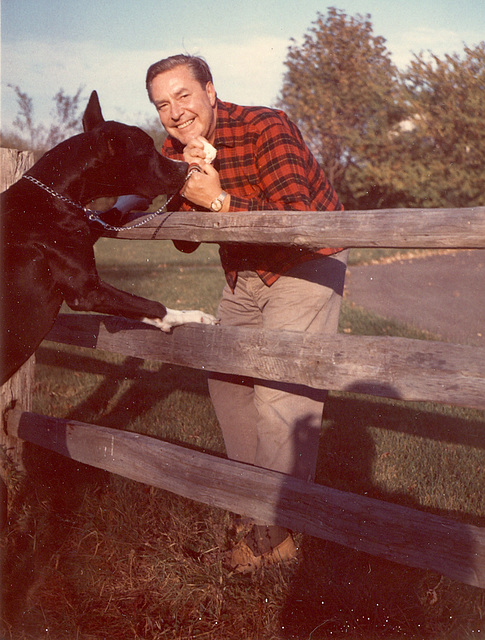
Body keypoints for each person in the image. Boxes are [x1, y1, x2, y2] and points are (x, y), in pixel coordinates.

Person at [146, 54, 348, 573]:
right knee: (229, 380)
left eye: (183, 96)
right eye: (162, 104)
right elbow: (186, 244)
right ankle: (252, 507)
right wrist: (184, 199)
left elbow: (299, 223)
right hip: (245, 271)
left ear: (210, 91)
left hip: (306, 262)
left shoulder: (266, 125)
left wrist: (218, 202)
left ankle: (277, 539)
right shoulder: (174, 147)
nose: (175, 112)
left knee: (281, 394)